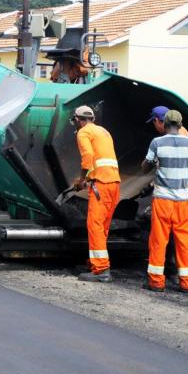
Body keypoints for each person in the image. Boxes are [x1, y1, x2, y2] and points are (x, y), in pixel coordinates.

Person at [142, 110, 188, 292]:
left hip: (163, 200)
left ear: (164, 124)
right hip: (183, 201)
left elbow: (145, 168)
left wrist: (155, 164)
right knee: (184, 241)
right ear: (180, 124)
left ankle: (157, 282)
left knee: (159, 240)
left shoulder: (157, 142)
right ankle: (186, 282)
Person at [71, 105, 120, 282]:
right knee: (103, 226)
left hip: (101, 184)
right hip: (114, 183)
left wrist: (82, 179)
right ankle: (95, 262)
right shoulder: (103, 131)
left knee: (94, 225)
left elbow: (88, 157)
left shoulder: (83, 133)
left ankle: (101, 270)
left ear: (77, 120)